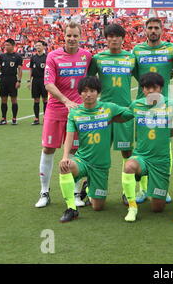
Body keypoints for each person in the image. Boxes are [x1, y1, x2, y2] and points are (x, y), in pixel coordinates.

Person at [58, 76, 134, 222]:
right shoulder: (75, 113)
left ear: (98, 93)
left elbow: (129, 114)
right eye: (85, 91)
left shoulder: (109, 108)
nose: (88, 94)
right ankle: (71, 208)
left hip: (101, 165)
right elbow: (69, 136)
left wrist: (143, 105)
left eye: (92, 91)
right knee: (65, 166)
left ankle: (88, 187)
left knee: (98, 206)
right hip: (83, 160)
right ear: (80, 93)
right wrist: (65, 156)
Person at [34, 21, 92, 208]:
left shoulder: (87, 56)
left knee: (76, 152)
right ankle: (44, 192)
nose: (72, 39)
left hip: (77, 113)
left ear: (80, 36)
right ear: (63, 36)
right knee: (48, 149)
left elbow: (92, 79)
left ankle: (76, 194)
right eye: (69, 35)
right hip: (56, 109)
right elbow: (48, 84)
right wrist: (66, 101)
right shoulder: (53, 56)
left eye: (75, 35)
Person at [132, 17, 173, 204]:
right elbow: (135, 71)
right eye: (150, 27)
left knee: (164, 147)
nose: (153, 30)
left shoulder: (171, 49)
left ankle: (162, 187)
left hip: (164, 106)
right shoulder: (137, 50)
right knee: (142, 147)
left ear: (162, 30)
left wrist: (169, 70)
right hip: (142, 105)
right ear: (145, 30)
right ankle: (142, 189)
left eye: (156, 28)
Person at [121, 72, 173, 222]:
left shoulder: (172, 105)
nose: (150, 91)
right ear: (142, 90)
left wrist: (169, 132)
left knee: (157, 208)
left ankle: (153, 188)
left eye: (154, 88)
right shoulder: (136, 105)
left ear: (160, 89)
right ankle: (132, 206)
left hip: (161, 161)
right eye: (147, 88)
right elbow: (121, 116)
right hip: (141, 156)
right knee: (129, 166)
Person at [88, 23, 136, 204]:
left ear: (123, 39)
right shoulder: (98, 58)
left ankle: (128, 191)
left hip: (124, 112)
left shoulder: (131, 58)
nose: (114, 39)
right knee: (99, 152)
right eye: (110, 36)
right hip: (103, 112)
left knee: (127, 152)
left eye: (117, 36)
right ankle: (92, 189)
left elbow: (144, 79)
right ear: (106, 38)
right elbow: (88, 82)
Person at [0, 38, 23, 125]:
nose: (6, 47)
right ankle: (4, 118)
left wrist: (19, 80)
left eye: (8, 45)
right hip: (3, 79)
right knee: (3, 100)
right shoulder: (2, 56)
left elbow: (20, 69)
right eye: (5, 45)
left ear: (13, 46)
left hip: (12, 79)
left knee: (14, 100)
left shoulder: (17, 56)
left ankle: (14, 118)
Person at [28, 40, 48, 125]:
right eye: (36, 46)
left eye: (39, 45)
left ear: (44, 47)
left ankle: (45, 118)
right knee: (36, 100)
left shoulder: (47, 57)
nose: (38, 47)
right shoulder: (33, 57)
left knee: (45, 99)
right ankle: (36, 118)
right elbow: (31, 69)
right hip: (35, 80)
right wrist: (29, 80)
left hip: (44, 80)